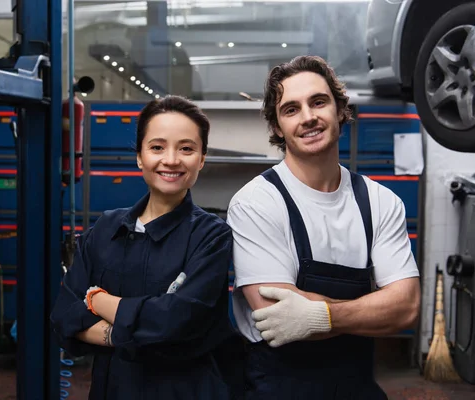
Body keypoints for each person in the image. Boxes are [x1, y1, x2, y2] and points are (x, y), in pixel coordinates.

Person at [227, 55, 421, 399]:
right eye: (291, 109)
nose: (308, 117)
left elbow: (405, 307)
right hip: (278, 387)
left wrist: (319, 315)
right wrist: (372, 307)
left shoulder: (381, 202)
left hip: (356, 385)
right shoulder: (256, 203)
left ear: (340, 110)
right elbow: (279, 319)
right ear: (276, 127)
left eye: (319, 102)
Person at [50, 95, 239, 399]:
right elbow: (64, 317)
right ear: (140, 156)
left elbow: (177, 322)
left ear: (202, 159)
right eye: (157, 147)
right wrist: (138, 329)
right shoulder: (107, 228)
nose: (172, 159)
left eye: (187, 148)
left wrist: (98, 302)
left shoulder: (211, 236)